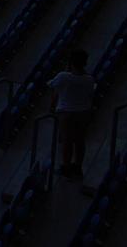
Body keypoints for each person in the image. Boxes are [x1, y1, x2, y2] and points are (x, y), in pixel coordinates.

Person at [48, 50, 95, 179]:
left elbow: (52, 86)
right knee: (80, 141)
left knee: (67, 141)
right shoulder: (89, 80)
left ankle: (66, 167)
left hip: (66, 113)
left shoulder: (63, 76)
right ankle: (78, 167)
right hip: (83, 113)